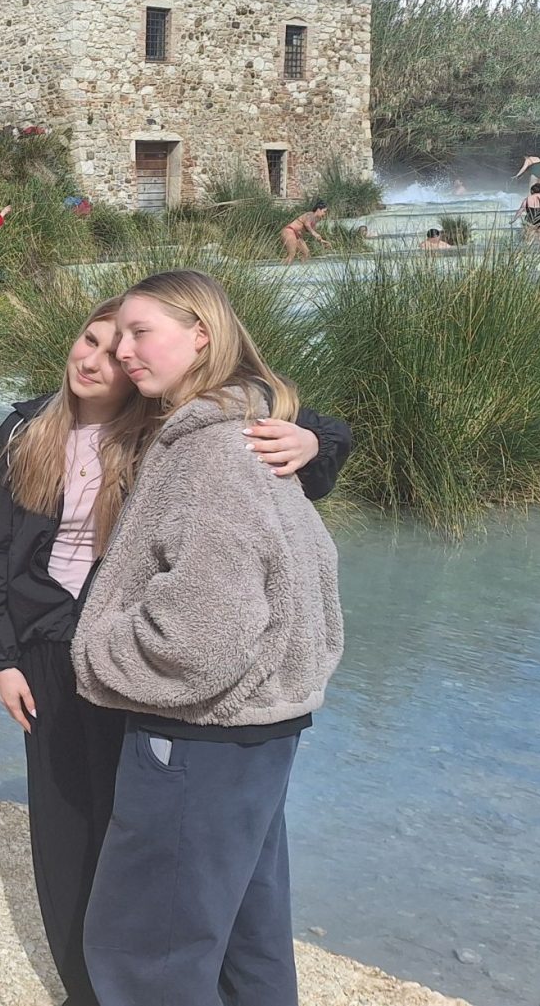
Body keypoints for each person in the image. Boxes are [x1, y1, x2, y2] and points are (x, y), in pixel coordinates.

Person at [0, 295, 348, 1006]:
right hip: (50, 650)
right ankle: (87, 988)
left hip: (133, 656)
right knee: (67, 823)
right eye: (91, 340)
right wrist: (1, 657)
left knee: (145, 845)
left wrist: (312, 442)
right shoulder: (26, 429)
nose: (98, 358)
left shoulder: (169, 431)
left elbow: (284, 429)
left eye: (121, 347)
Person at [73, 269, 345, 1006]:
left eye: (142, 332)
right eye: (119, 335)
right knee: (245, 940)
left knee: (145, 949)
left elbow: (202, 635)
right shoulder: (248, 429)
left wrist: (100, 647)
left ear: (201, 334)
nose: (124, 351)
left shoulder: (211, 452)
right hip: (260, 726)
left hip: (199, 732)